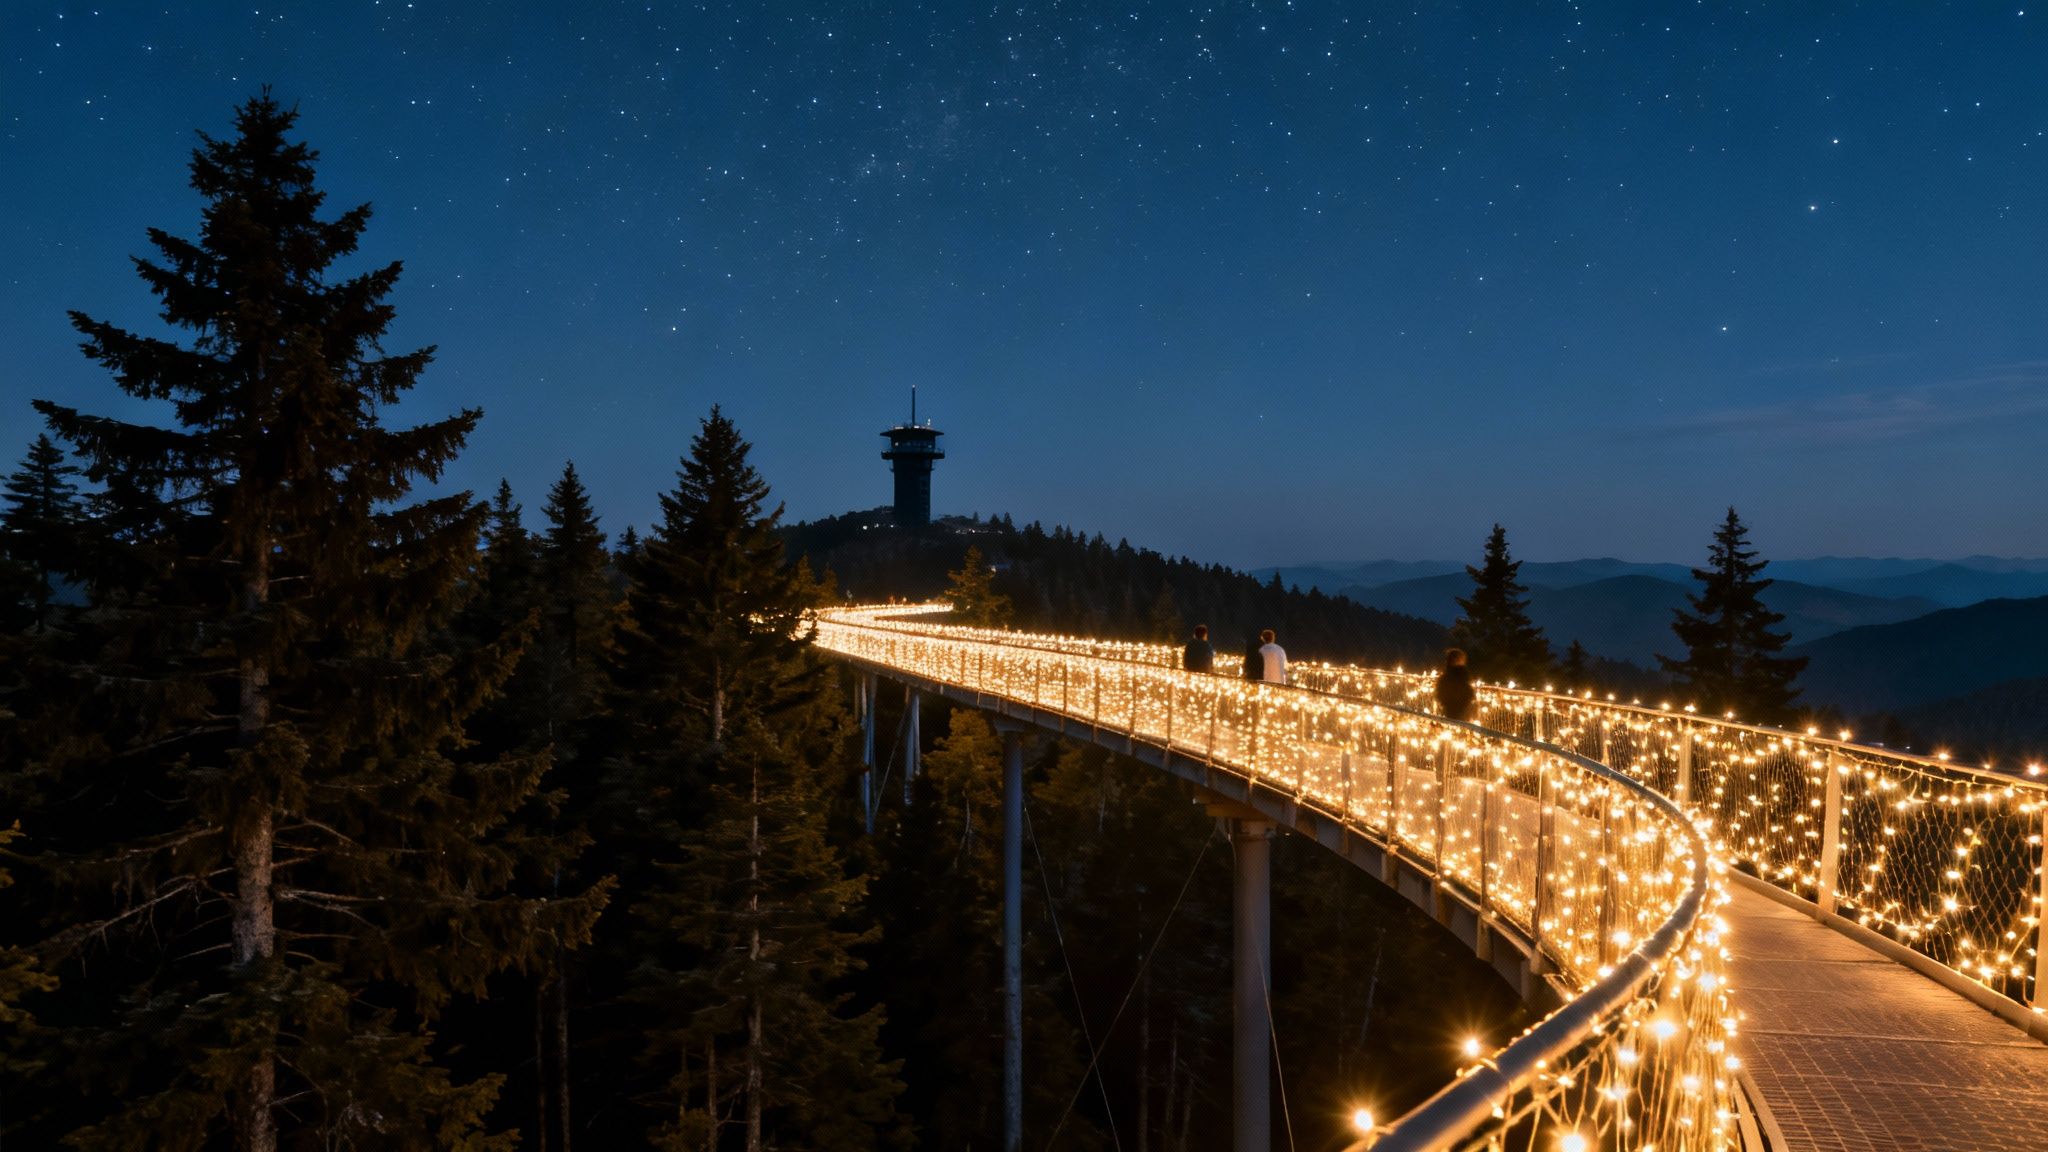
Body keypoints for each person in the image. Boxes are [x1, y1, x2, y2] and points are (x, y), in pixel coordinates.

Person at [1436, 647, 1475, 722]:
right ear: (1458, 660)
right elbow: (1467, 693)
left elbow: (1440, 695)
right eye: (1462, 659)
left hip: (1447, 711)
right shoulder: (1461, 676)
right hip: (1461, 713)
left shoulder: (1444, 677)